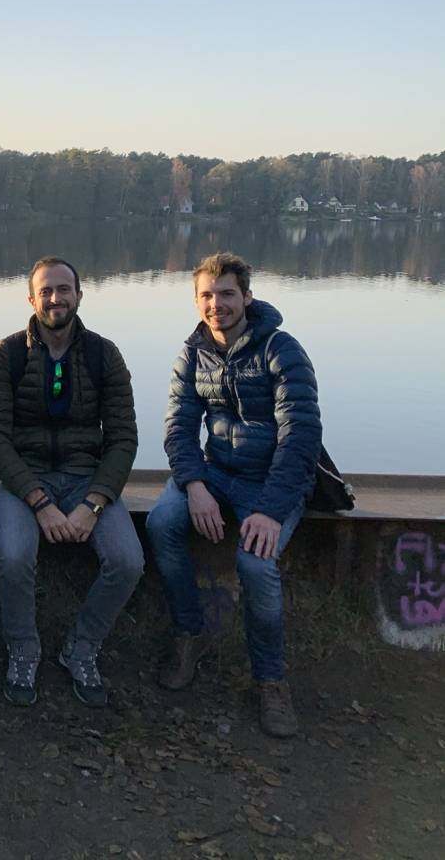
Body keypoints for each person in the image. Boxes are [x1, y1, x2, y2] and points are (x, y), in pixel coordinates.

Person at [146, 252, 320, 738]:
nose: (216, 304)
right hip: (216, 473)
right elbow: (178, 430)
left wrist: (268, 510)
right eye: (206, 295)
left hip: (272, 482)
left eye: (226, 294)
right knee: (162, 524)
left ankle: (270, 679)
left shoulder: (281, 350)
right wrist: (196, 485)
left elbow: (300, 437)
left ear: (247, 296)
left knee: (255, 564)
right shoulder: (192, 354)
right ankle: (190, 632)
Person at [0, 256, 141, 708]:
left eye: (63, 289)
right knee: (12, 556)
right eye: (46, 291)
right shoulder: (7, 355)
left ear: (79, 296)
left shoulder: (104, 355)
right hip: (22, 481)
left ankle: (81, 648)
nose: (55, 298)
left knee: (127, 561)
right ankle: (23, 650)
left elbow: (124, 438)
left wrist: (94, 502)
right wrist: (37, 500)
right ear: (31, 299)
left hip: (87, 479)